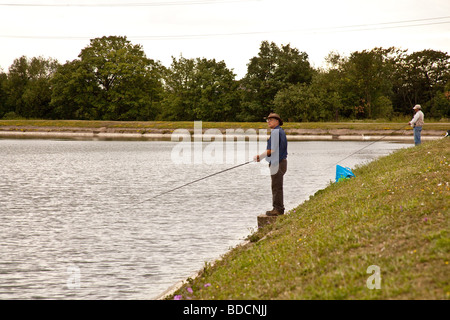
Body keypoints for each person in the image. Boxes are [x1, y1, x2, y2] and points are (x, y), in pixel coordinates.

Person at [254, 113, 288, 216]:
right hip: (280, 163)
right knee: (277, 186)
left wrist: (260, 156)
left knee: (276, 187)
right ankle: (278, 208)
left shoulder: (276, 132)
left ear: (277, 121)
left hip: (277, 163)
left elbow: (272, 149)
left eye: (271, 120)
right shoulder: (279, 131)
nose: (268, 121)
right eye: (268, 120)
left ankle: (277, 209)